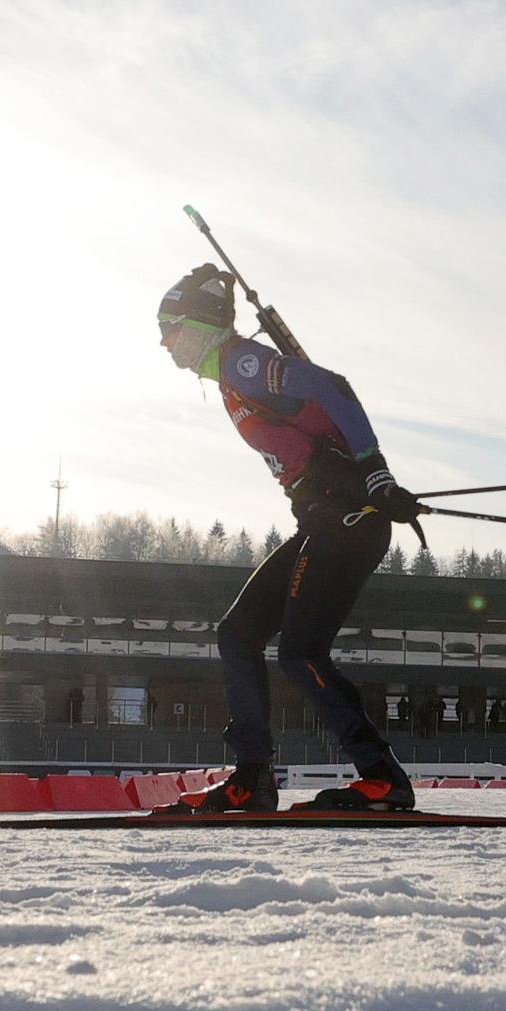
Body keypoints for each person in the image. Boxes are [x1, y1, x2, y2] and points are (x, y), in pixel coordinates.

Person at [156, 264, 423, 813]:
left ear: (201, 324)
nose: (163, 343)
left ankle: (382, 780)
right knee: (238, 634)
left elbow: (332, 387)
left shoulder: (243, 364)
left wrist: (375, 470)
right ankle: (252, 779)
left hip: (350, 521)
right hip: (325, 521)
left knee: (301, 654)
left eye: (171, 327)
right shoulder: (229, 377)